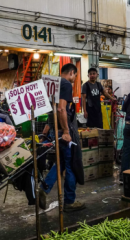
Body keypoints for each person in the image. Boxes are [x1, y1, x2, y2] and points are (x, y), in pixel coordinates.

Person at [40, 63, 85, 212]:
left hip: (54, 129)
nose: (75, 78)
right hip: (62, 131)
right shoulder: (65, 84)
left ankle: (44, 188)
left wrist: (47, 129)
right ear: (72, 72)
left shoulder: (54, 84)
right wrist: (66, 131)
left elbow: (51, 110)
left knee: (60, 163)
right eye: (75, 75)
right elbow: (61, 109)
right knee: (71, 165)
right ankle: (69, 202)